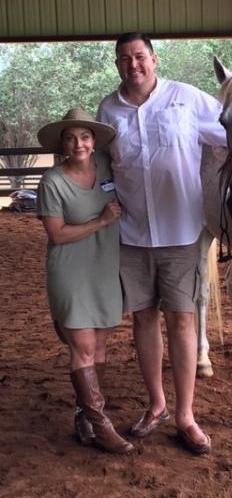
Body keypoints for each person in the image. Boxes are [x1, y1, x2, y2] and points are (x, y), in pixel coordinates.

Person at [97, 32, 226, 454]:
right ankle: (157, 405)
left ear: (154, 59)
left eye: (139, 56)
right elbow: (101, 164)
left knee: (183, 321)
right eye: (124, 58)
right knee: (143, 318)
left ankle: (186, 415)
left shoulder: (187, 98)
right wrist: (106, 194)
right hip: (131, 233)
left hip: (182, 231)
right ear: (117, 65)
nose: (132, 64)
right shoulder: (108, 109)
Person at [37, 108, 134, 455]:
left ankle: (84, 415)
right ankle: (102, 424)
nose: (78, 143)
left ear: (94, 142)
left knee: (101, 345)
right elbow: (57, 234)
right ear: (62, 144)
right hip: (70, 270)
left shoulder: (109, 169)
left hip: (105, 269)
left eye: (85, 136)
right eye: (70, 137)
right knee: (84, 347)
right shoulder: (52, 181)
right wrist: (102, 220)